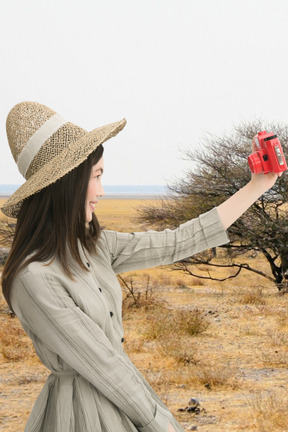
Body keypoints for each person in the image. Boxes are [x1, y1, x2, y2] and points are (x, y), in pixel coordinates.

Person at [1, 101, 281, 432]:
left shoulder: (93, 246)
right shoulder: (33, 278)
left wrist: (257, 186)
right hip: (80, 415)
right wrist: (160, 422)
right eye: (97, 177)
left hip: (121, 403)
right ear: (67, 183)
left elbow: (179, 241)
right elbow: (103, 364)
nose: (102, 191)